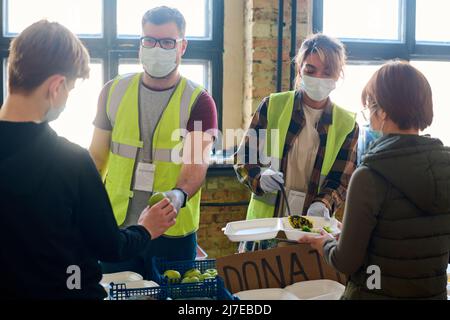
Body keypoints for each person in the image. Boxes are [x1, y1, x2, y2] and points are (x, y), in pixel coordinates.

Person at [0, 20, 177, 300]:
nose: (67, 97)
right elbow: (109, 247)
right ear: (56, 86)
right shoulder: (69, 161)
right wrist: (146, 229)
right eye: (69, 88)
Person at [300, 61, 450, 300]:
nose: (369, 116)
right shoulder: (445, 167)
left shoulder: (370, 175)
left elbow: (346, 261)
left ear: (383, 112)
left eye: (370, 107)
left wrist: (325, 244)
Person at [89, 6, 217, 279]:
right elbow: (97, 158)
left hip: (171, 232)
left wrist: (178, 195)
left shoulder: (199, 101)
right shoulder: (113, 91)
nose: (157, 48)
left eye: (167, 42)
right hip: (119, 228)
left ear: (182, 47)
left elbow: (196, 165)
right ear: (141, 44)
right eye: (150, 40)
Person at [234, 34, 359, 251]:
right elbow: (244, 158)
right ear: (300, 69)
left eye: (327, 72)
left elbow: (341, 181)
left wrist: (323, 203)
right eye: (310, 70)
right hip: (265, 231)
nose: (318, 77)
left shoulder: (347, 125)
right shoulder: (272, 106)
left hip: (313, 235)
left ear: (338, 75)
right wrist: (259, 178)